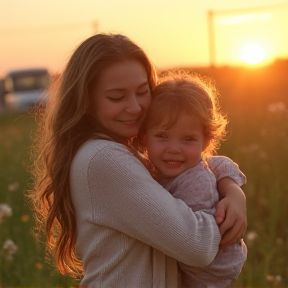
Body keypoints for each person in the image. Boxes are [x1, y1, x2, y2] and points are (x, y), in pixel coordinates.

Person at [28, 33, 247, 288]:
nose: (134, 108)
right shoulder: (104, 159)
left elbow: (206, 161)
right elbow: (197, 246)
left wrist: (232, 190)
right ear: (85, 101)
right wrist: (223, 217)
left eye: (143, 92)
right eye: (116, 97)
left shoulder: (124, 151)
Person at [143, 72, 247, 287]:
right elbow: (217, 162)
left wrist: (235, 190)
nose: (174, 149)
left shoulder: (195, 182)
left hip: (207, 274)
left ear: (206, 140)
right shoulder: (163, 168)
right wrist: (233, 188)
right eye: (162, 136)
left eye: (188, 139)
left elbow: (189, 240)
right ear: (144, 136)